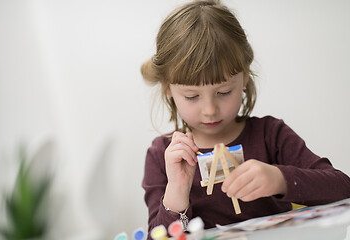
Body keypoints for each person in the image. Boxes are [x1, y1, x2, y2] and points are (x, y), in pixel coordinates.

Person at [140, 0, 350, 236]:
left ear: (245, 78)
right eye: (192, 96)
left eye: (223, 92)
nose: (210, 109)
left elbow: (343, 189)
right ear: (168, 88)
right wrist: (176, 191)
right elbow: (157, 236)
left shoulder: (270, 135)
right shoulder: (163, 155)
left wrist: (281, 180)